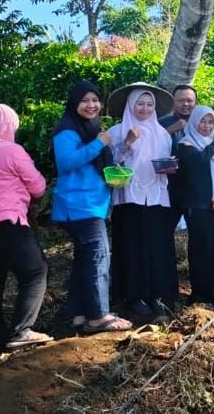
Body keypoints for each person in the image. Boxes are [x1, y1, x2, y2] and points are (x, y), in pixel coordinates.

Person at [52, 82, 132, 334]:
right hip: (79, 206)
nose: (91, 105)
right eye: (85, 100)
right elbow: (66, 162)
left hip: (92, 204)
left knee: (85, 260)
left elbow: (97, 162)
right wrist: (100, 142)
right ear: (74, 104)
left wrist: (122, 148)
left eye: (95, 100)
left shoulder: (91, 129)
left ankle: (78, 313)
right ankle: (98, 316)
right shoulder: (67, 130)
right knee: (98, 257)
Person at [0, 104, 53, 353]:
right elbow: (38, 186)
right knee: (35, 272)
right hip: (10, 222)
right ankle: (22, 330)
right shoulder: (11, 150)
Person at [106, 84, 177, 316]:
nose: (145, 108)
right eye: (140, 103)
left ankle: (155, 294)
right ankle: (132, 296)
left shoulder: (162, 133)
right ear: (130, 104)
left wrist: (168, 167)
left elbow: (164, 160)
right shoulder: (117, 131)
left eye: (149, 104)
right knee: (131, 247)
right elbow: (111, 164)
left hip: (156, 196)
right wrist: (126, 143)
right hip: (128, 197)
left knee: (155, 246)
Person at [176, 106, 214, 303]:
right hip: (198, 205)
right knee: (201, 249)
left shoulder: (213, 146)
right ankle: (201, 293)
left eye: (211, 122)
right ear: (193, 121)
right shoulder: (185, 145)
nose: (207, 126)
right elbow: (200, 161)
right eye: (203, 121)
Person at [160, 84, 198, 231]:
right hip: (170, 188)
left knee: (199, 235)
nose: (186, 104)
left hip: (197, 189)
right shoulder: (162, 124)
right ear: (173, 102)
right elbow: (150, 147)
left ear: (196, 102)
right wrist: (171, 129)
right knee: (164, 232)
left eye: (189, 100)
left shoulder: (205, 123)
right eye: (181, 100)